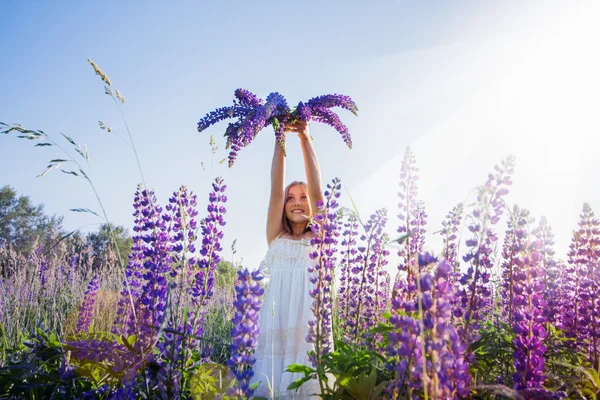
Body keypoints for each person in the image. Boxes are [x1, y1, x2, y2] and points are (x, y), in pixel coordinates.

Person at [251, 119, 325, 399]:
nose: (297, 202)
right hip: (276, 322)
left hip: (308, 326)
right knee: (271, 388)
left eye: (302, 197)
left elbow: (318, 192)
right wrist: (279, 136)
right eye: (291, 197)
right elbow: (274, 188)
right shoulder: (276, 237)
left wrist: (304, 137)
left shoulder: (319, 239)